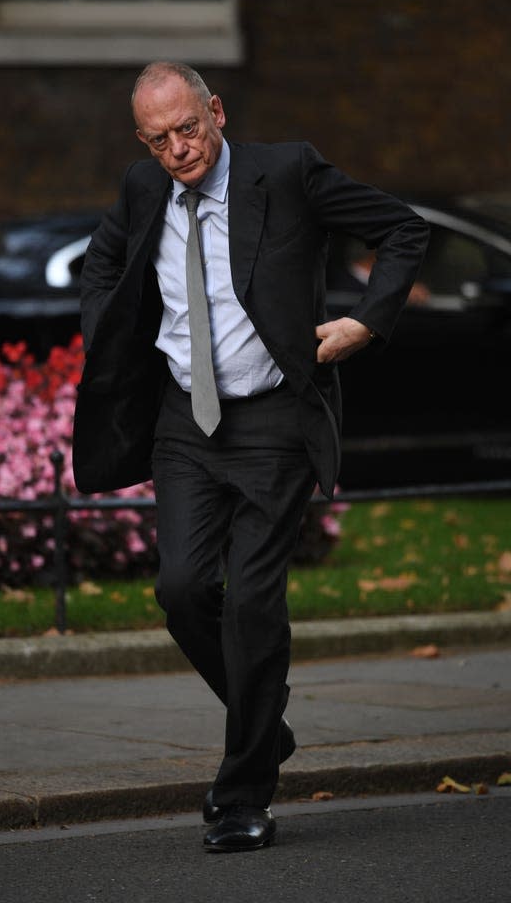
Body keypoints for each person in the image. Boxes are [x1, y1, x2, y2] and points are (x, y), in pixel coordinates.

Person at [72, 62, 429, 852]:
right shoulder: (142, 189)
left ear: (217, 112)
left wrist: (366, 322)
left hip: (272, 421)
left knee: (256, 603)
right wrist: (112, 331)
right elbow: (101, 263)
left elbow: (403, 229)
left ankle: (242, 795)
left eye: (188, 129)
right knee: (182, 587)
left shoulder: (288, 171)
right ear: (143, 141)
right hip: (184, 425)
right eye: (159, 139)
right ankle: (264, 726)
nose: (178, 149)